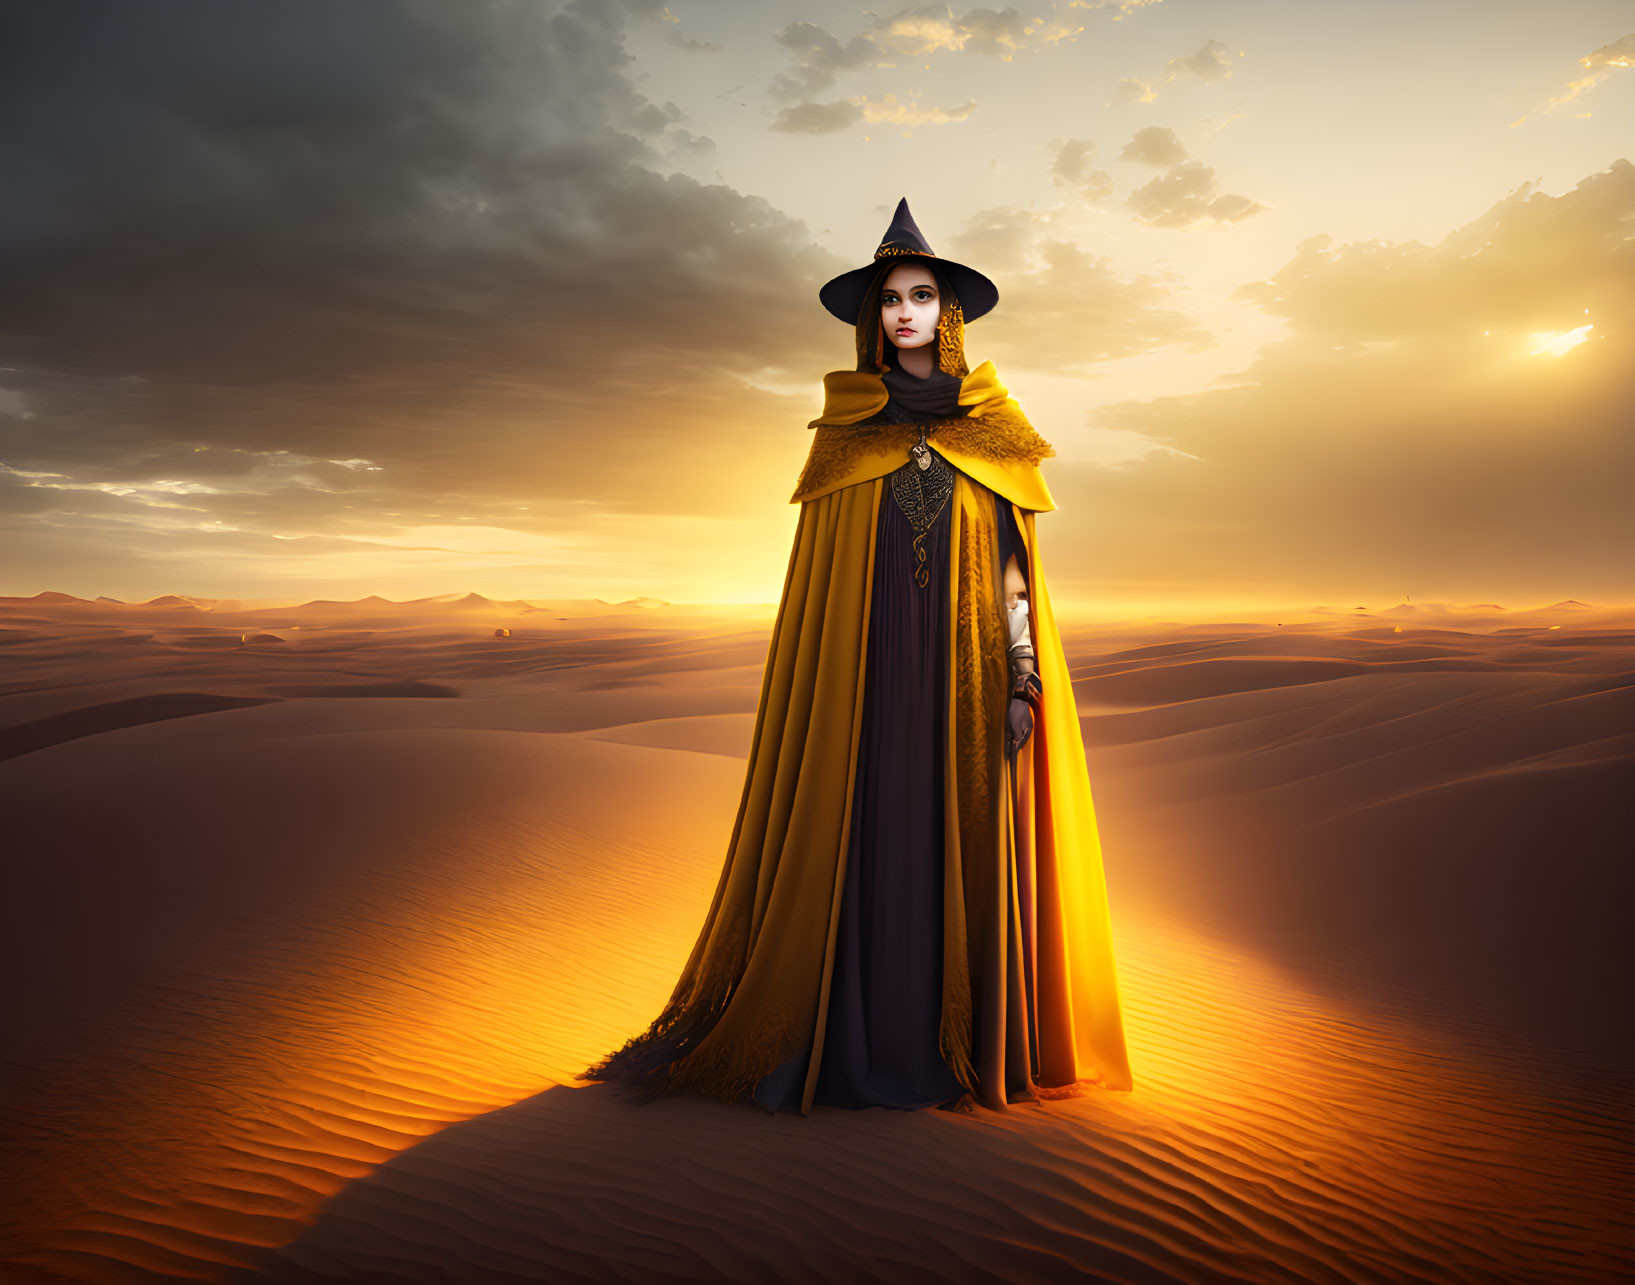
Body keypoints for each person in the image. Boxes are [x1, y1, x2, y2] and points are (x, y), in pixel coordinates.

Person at [576, 198, 1133, 1115]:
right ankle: (848, 1043)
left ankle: (957, 1049)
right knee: (872, 849)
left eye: (920, 296)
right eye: (889, 301)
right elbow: (819, 594)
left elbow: (1012, 576)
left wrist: (1023, 674)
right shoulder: (843, 434)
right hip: (866, 683)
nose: (904, 312)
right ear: (872, 320)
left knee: (960, 849)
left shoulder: (996, 430)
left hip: (966, 683)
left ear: (947, 314)